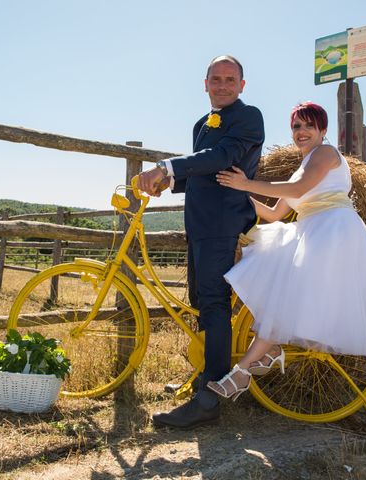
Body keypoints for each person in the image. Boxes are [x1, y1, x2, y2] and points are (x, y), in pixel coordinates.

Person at [206, 102, 366, 400]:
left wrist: (246, 183)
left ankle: (242, 372)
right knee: (276, 295)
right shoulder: (299, 168)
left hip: (333, 232)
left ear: (323, 130)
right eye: (296, 126)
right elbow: (275, 213)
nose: (301, 132)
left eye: (309, 125)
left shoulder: (326, 154)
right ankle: (265, 356)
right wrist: (237, 194)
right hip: (311, 231)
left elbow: (297, 191)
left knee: (284, 299)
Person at [138, 55, 265, 428]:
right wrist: (171, 182)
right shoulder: (201, 123)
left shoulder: (249, 116)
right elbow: (205, 172)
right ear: (205, 83)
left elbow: (223, 156)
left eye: (230, 79)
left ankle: (210, 398)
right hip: (198, 223)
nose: (222, 85)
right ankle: (207, 376)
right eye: (216, 78)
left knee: (213, 302)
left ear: (242, 85)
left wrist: (167, 166)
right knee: (200, 300)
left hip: (223, 221)